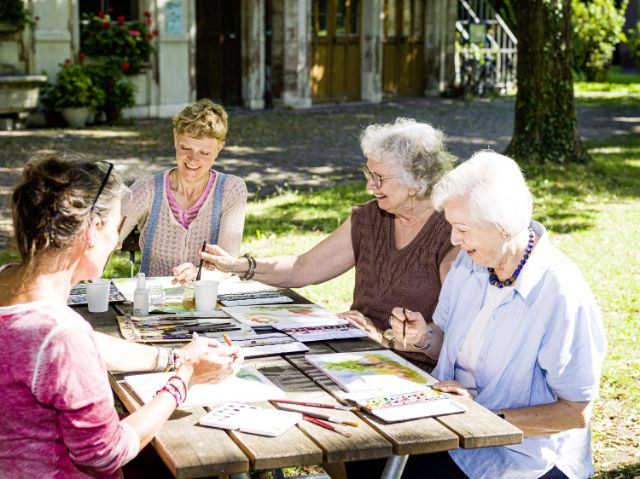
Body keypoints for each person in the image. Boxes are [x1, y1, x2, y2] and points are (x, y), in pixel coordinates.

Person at [0, 156, 241, 477]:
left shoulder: (10, 286)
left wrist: (175, 356)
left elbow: (80, 347)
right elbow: (105, 454)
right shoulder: (62, 335)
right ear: (93, 231)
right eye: (116, 228)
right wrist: (183, 379)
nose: (115, 243)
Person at [381, 151, 606, 478]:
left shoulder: (561, 292)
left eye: (462, 228)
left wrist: (483, 418)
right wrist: (423, 337)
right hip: (455, 435)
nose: (454, 239)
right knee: (368, 458)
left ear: (502, 226)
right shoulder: (469, 261)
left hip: (522, 459)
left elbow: (576, 412)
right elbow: (444, 340)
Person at [200, 118, 459, 367]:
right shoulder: (369, 218)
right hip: (354, 354)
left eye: (379, 178)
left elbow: (456, 335)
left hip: (412, 369)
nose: (370, 185)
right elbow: (302, 268)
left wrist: (384, 339)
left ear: (414, 181)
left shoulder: (454, 233)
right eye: (368, 173)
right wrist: (240, 266)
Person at [119, 98, 247, 282]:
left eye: (204, 153)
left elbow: (228, 265)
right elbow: (105, 238)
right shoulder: (148, 189)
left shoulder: (231, 190)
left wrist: (199, 275)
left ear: (220, 148)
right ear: (175, 138)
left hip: (207, 302)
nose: (193, 160)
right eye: (185, 148)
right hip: (153, 303)